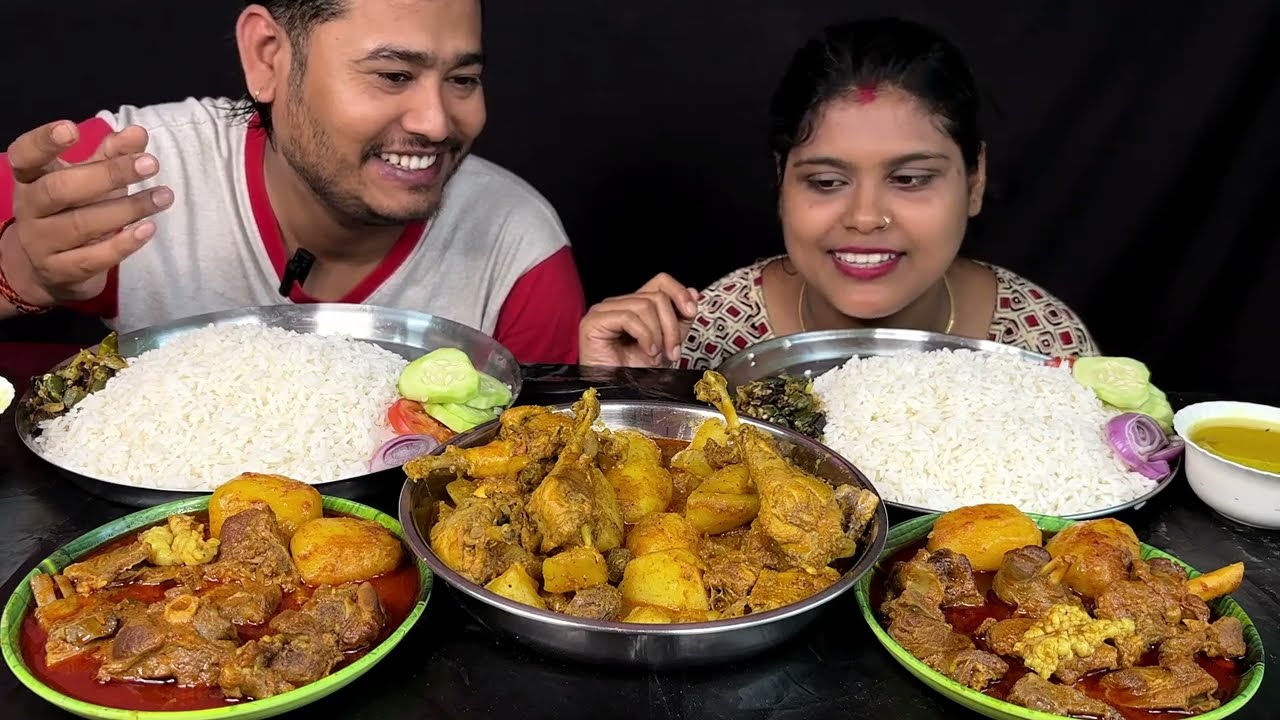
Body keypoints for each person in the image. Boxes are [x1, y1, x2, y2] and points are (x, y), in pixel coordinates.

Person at [0, 0, 585, 364]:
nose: (436, 122)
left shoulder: (519, 249)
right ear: (268, 56)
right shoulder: (124, 167)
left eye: (462, 79)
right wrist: (24, 272)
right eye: (393, 75)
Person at [578, 17, 1098, 369]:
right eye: (827, 182)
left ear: (975, 179)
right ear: (782, 182)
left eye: (910, 179)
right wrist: (623, 393)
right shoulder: (707, 337)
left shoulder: (1043, 345)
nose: (866, 217)